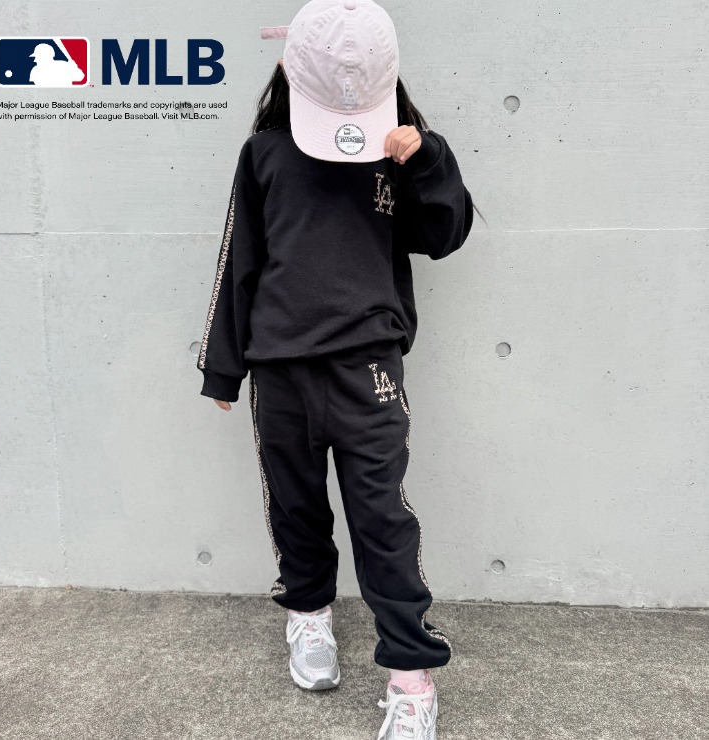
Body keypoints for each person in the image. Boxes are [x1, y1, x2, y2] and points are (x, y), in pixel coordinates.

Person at [196, 1, 479, 737]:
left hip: (368, 369)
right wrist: (224, 369)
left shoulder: (397, 149)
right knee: (295, 507)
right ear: (289, 70)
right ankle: (310, 615)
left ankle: (411, 675)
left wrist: (427, 159)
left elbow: (444, 234)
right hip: (280, 372)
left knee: (383, 520)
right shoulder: (264, 153)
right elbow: (239, 260)